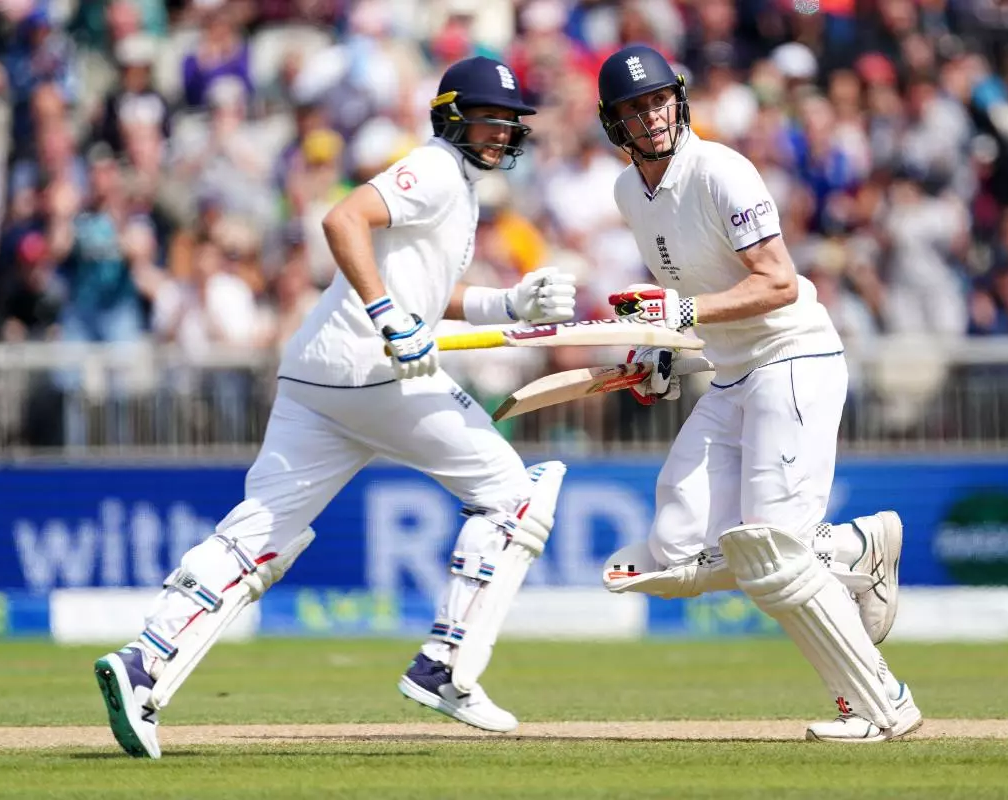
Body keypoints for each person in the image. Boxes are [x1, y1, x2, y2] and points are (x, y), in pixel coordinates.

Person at [93, 56, 578, 758]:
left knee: (257, 533)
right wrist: (386, 318)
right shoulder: (437, 169)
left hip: (317, 375)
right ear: (451, 117)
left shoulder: (459, 186)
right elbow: (342, 217)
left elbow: (420, 290)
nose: (501, 133)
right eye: (488, 119)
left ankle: (143, 663)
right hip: (375, 370)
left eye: (509, 122)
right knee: (516, 497)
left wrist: (506, 303)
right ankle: (446, 664)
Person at [595, 45, 922, 743]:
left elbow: (776, 282)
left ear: (679, 99)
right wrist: (661, 351)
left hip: (792, 358)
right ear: (614, 123)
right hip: (731, 373)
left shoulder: (722, 170)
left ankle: (882, 704)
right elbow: (686, 293)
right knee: (677, 545)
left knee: (775, 553)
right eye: (636, 108)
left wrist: (683, 315)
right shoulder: (627, 193)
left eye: (659, 100)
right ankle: (858, 547)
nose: (653, 116)